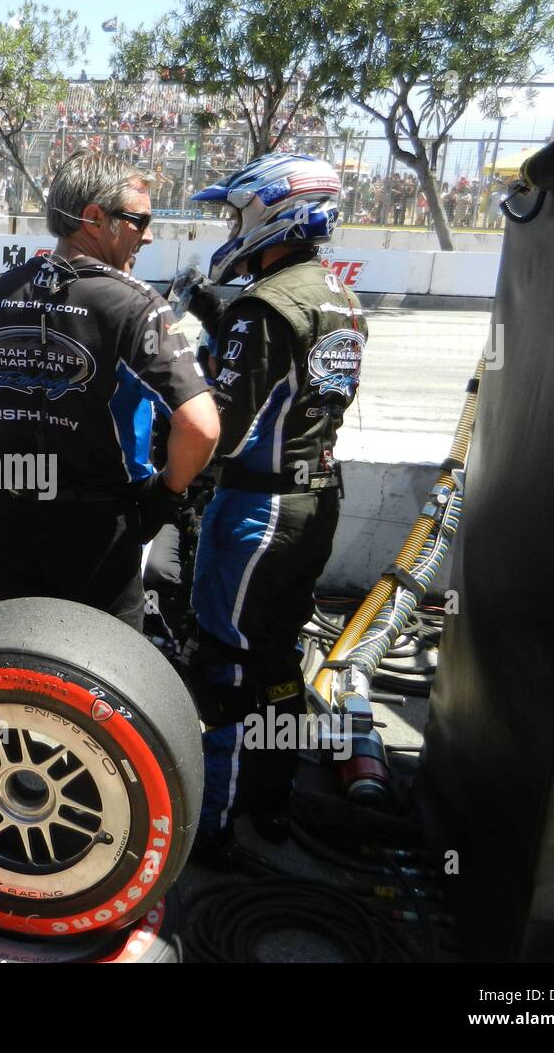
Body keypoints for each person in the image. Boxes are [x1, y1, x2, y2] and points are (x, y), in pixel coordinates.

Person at [0, 150, 219, 631]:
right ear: (95, 218)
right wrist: (165, 495)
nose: (149, 235)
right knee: (99, 686)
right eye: (139, 221)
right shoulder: (136, 306)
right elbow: (201, 426)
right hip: (100, 535)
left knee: (7, 672)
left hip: (10, 523)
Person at [185, 152, 366, 864]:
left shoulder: (263, 309)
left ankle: (216, 828)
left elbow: (220, 431)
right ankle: (273, 798)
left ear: (271, 213)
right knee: (279, 657)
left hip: (258, 512)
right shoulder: (341, 298)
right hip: (318, 501)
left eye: (237, 213)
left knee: (225, 663)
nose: (232, 226)